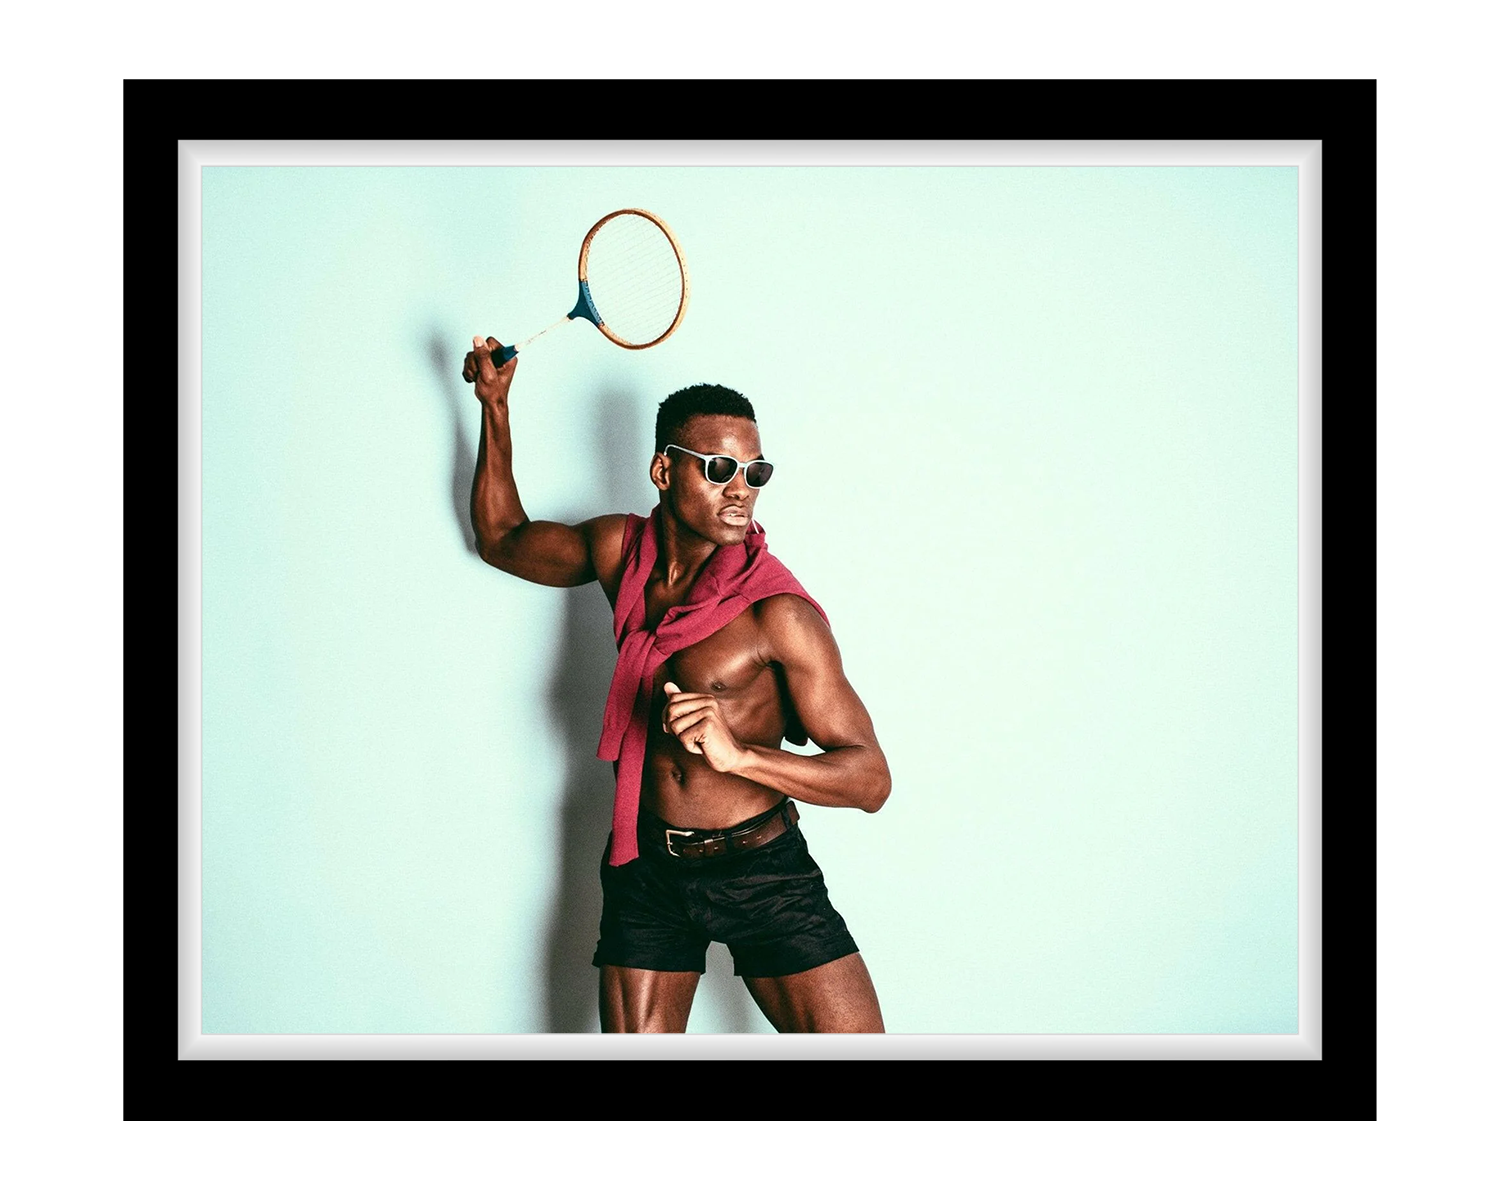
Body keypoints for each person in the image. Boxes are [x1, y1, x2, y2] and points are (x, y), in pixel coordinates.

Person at [463, 336, 890, 1033]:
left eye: (756, 472)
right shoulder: (618, 551)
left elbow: (871, 779)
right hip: (644, 866)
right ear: (664, 469)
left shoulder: (777, 616)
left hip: (762, 872)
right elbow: (503, 539)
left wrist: (743, 756)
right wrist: (496, 407)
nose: (740, 490)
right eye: (719, 468)